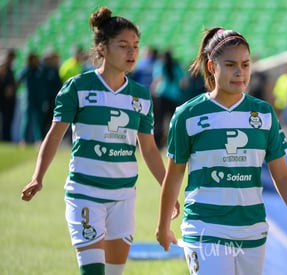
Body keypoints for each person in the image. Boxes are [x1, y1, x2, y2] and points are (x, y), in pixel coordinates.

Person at [21, 7, 178, 275]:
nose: (132, 52)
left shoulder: (140, 95)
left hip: (123, 196)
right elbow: (55, 134)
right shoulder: (77, 87)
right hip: (85, 193)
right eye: (123, 45)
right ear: (103, 48)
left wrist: (168, 190)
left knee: (114, 272)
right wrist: (38, 176)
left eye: (136, 46)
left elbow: (149, 148)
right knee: (93, 271)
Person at [156, 27, 287, 275]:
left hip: (252, 228)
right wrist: (163, 225)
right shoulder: (188, 115)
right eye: (230, 65)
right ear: (211, 67)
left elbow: (281, 175)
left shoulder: (263, 113)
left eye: (245, 64)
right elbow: (174, 174)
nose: (240, 72)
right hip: (205, 226)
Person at [150, 49, 185, 149]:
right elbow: (183, 83)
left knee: (158, 121)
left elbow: (157, 80)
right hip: (174, 96)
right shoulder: (177, 66)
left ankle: (158, 145)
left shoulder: (160, 64)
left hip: (161, 95)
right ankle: (171, 145)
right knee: (172, 122)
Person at [17, 52, 49, 146]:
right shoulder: (26, 70)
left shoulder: (40, 69)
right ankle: (23, 139)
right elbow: (19, 80)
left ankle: (38, 140)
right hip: (29, 99)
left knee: (39, 120)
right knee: (27, 119)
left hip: (39, 98)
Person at [0, 48, 17, 142]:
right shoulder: (5, 69)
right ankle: (4, 138)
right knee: (4, 121)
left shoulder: (9, 70)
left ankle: (6, 138)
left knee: (8, 120)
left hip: (9, 101)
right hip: (3, 100)